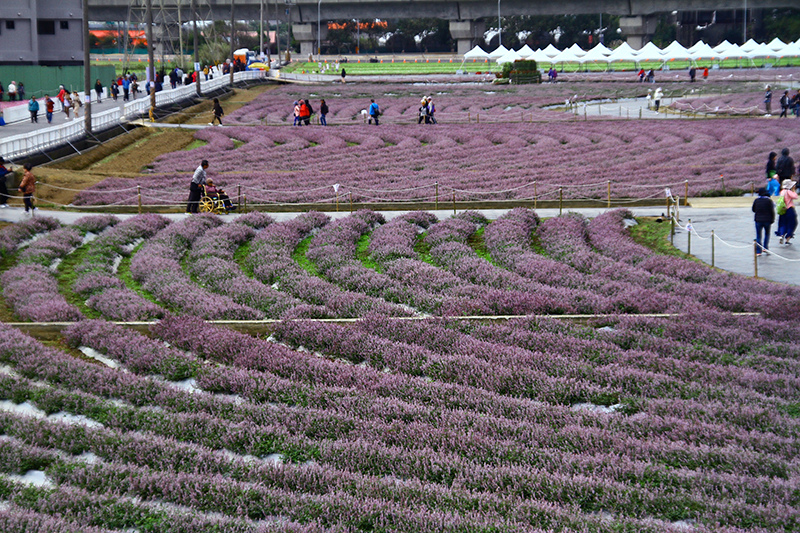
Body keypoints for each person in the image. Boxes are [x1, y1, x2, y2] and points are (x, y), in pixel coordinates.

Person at [753, 187, 775, 255]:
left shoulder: (756, 200)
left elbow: (753, 209)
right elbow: (772, 211)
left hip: (758, 220)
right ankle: (766, 248)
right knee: (767, 234)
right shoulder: (769, 201)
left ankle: (758, 251)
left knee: (758, 235)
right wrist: (772, 219)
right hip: (767, 220)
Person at [776, 179, 798, 244]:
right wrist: (793, 190)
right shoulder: (788, 191)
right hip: (789, 209)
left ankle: (781, 235)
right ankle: (788, 237)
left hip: (782, 209)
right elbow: (795, 196)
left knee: (783, 223)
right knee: (792, 223)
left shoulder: (782, 191)